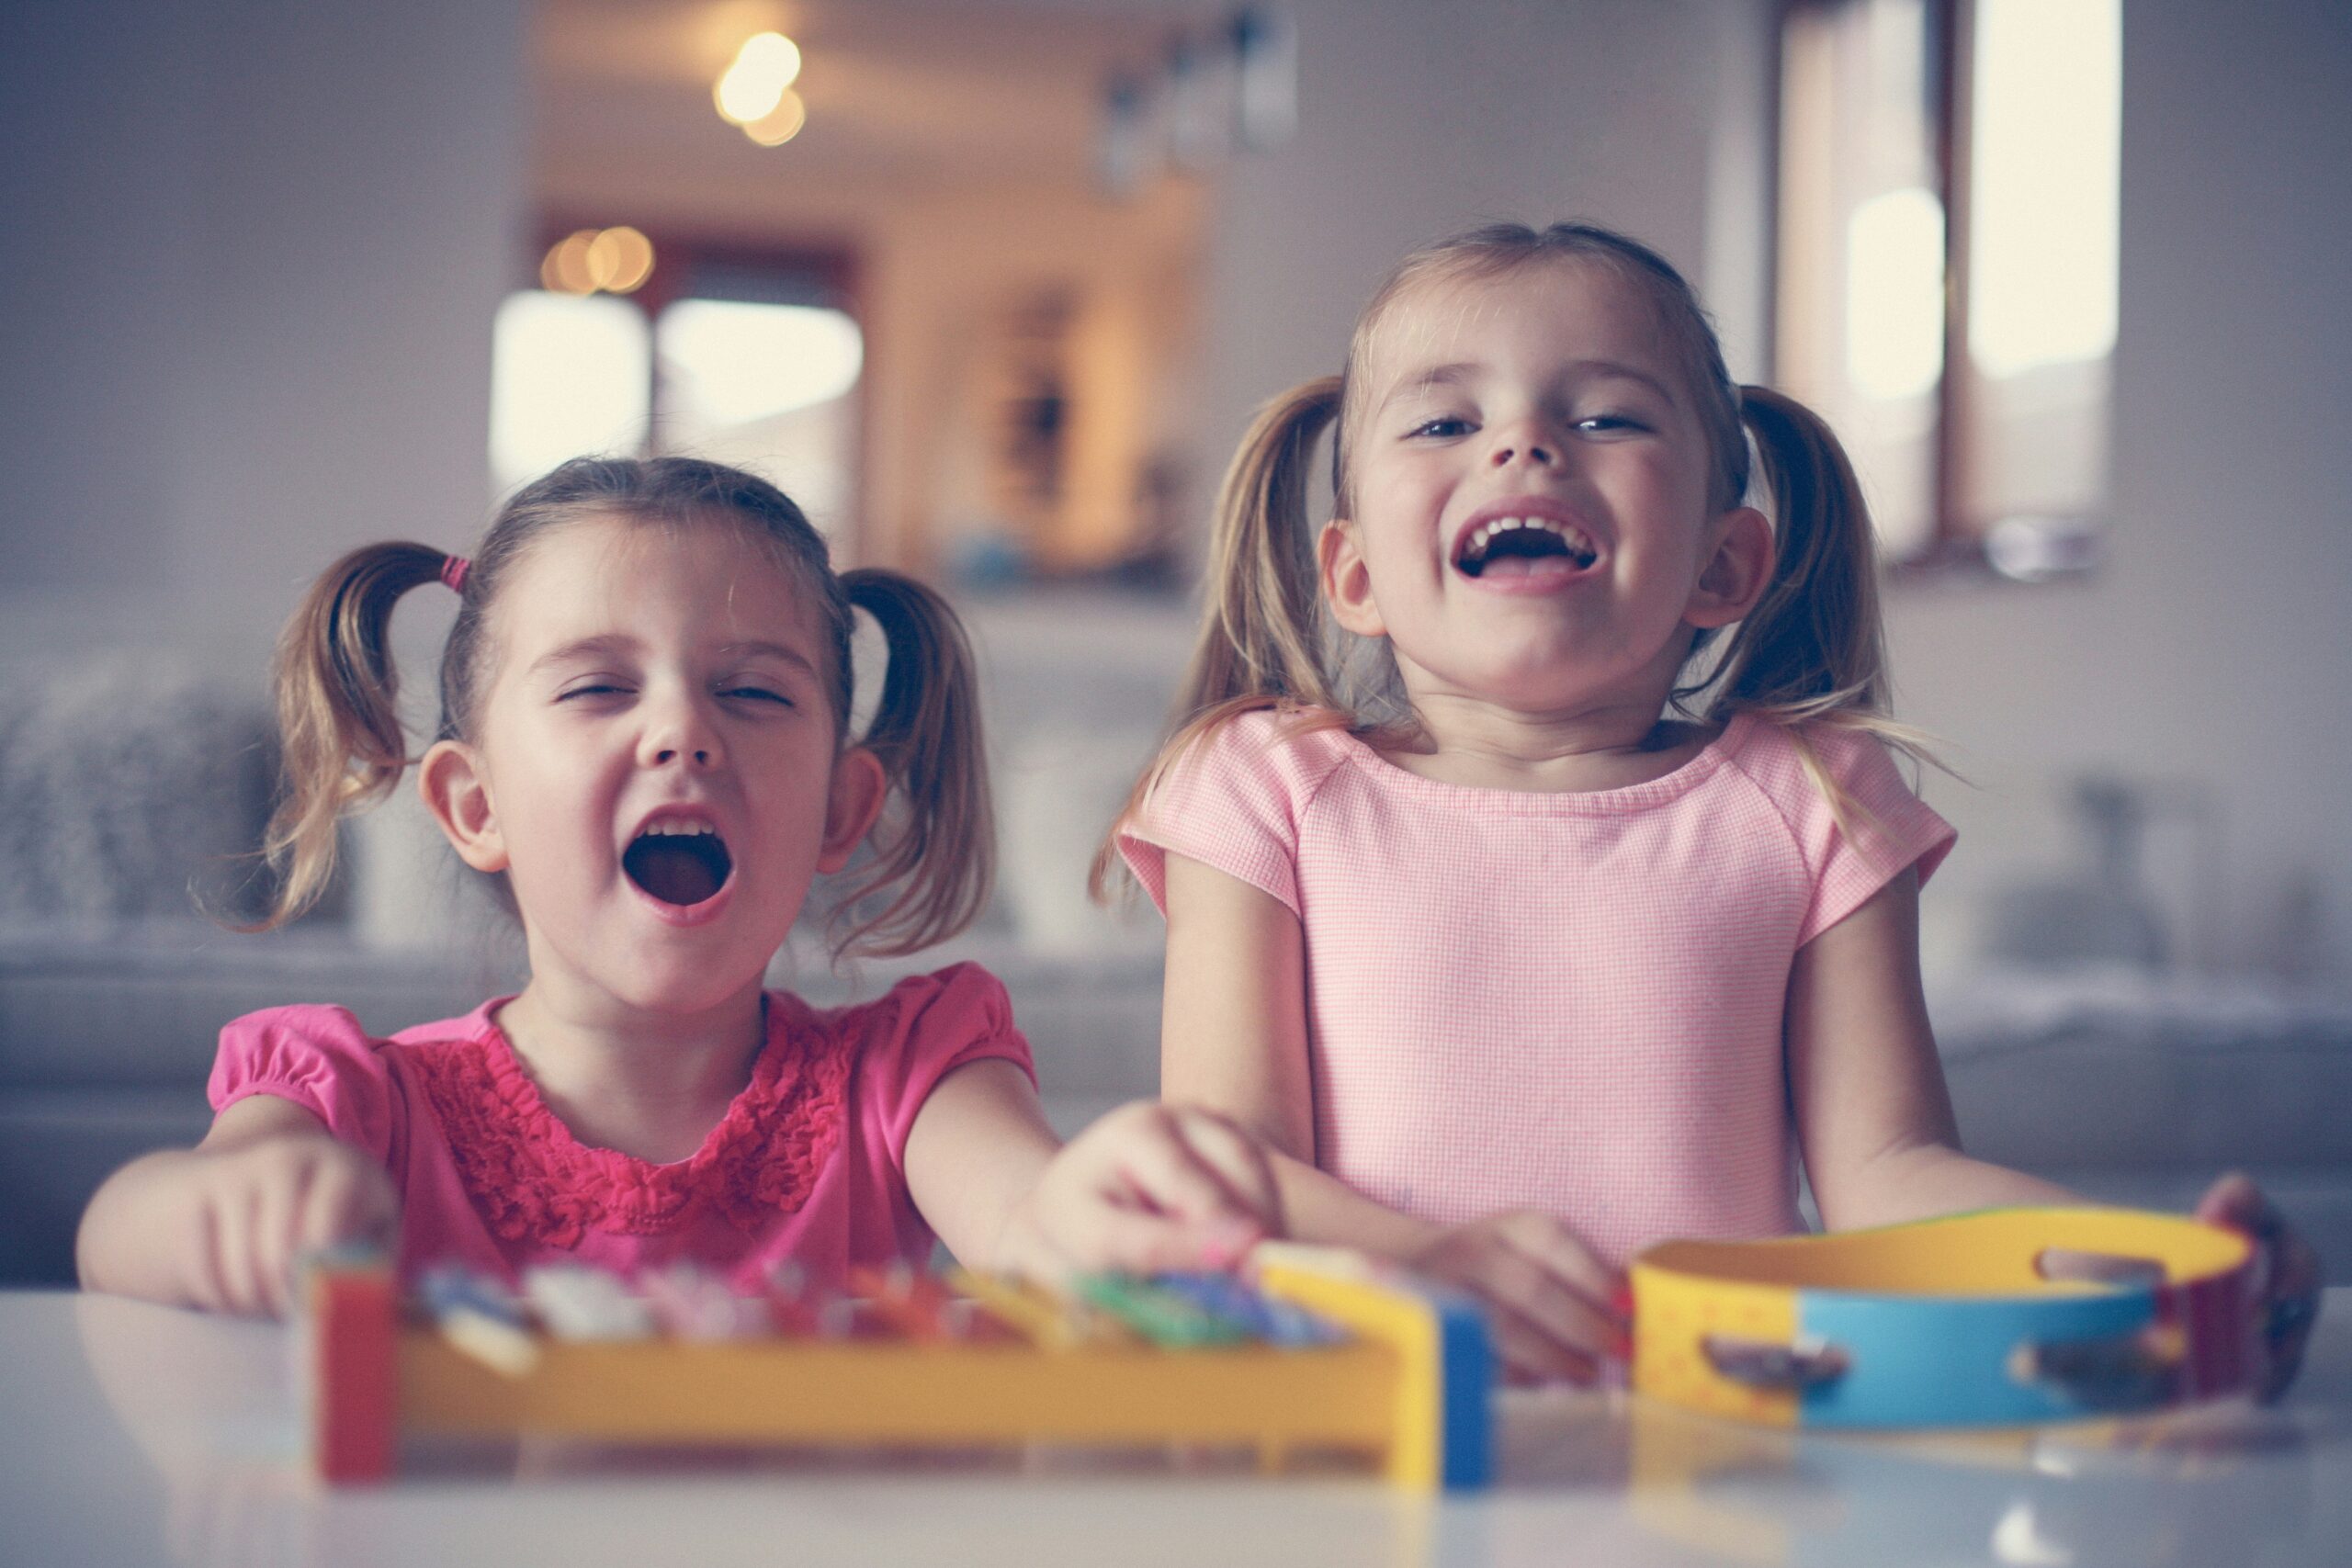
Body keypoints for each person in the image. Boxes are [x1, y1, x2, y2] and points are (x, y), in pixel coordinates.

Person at [1104, 221, 2319, 1391]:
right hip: (1388, 1421)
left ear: (1722, 564)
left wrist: (2152, 1269)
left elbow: (1888, 1172)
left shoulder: (1813, 799)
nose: (1523, 445)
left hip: (1736, 1437)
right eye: (1444, 420)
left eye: (1604, 416)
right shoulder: (1260, 790)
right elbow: (1227, 1173)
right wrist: (1428, 1265)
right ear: (1355, 575)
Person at [79, 457, 1276, 1317]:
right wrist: (214, 1216)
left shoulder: (913, 1079)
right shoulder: (352, 1104)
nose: (682, 732)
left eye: (753, 693)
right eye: (599, 688)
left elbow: (1027, 1218)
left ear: (840, 811)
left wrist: (1089, 1214)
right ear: (473, 806)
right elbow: (114, 1237)